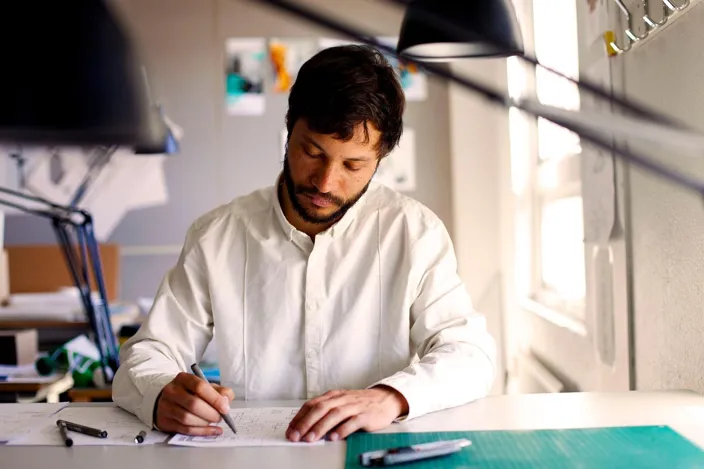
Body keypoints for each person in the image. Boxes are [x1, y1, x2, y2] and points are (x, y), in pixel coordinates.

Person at [113, 45, 496, 443]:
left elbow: (470, 354)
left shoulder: (415, 232)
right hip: (255, 454)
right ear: (289, 130)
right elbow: (145, 355)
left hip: (373, 452)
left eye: (353, 165)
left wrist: (391, 397)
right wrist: (160, 393)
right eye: (312, 152)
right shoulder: (217, 235)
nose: (325, 183)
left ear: (380, 159)